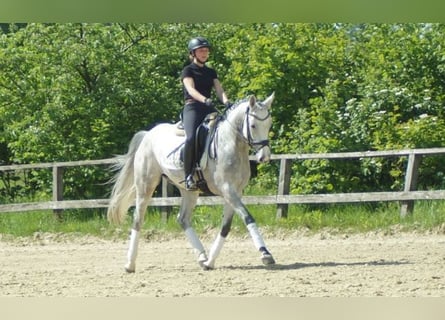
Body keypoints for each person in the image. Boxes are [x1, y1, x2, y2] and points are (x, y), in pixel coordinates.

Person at [181, 36, 231, 190]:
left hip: (208, 108)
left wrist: (227, 102)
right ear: (193, 53)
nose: (204, 53)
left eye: (206, 51)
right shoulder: (188, 70)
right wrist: (204, 99)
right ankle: (188, 175)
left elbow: (219, 90)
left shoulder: (211, 72)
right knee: (190, 138)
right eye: (201, 51)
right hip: (193, 108)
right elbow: (191, 89)